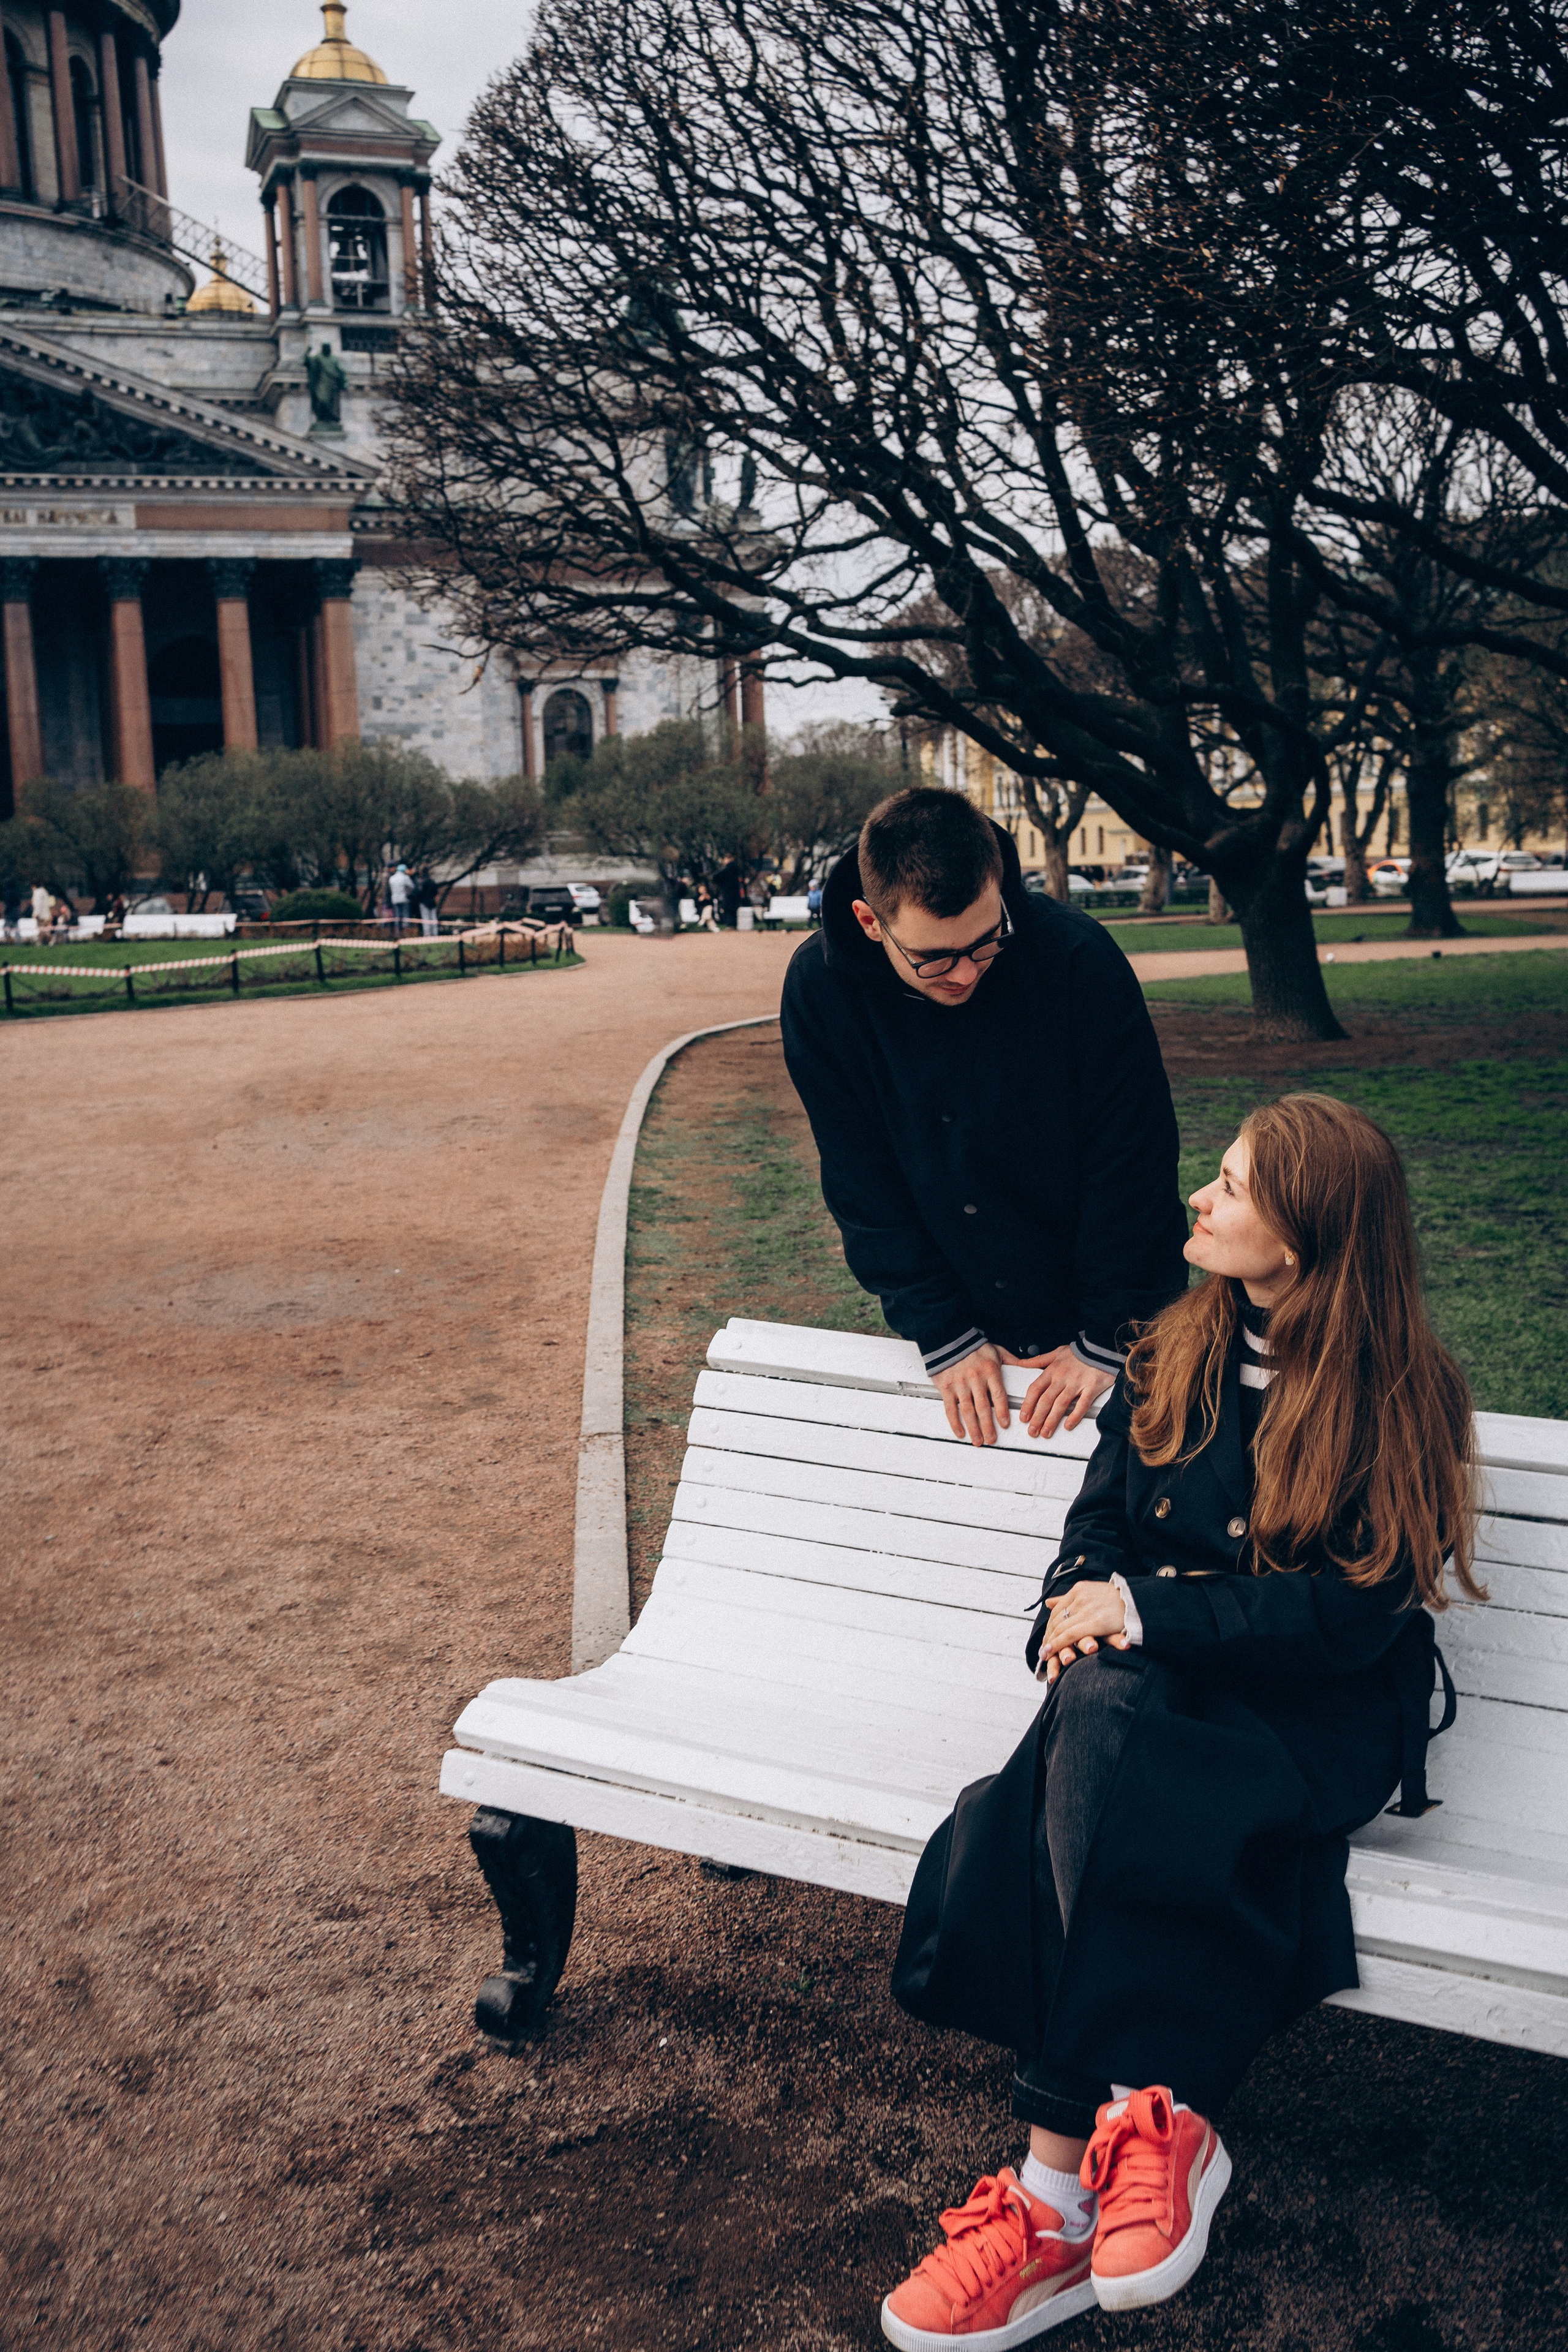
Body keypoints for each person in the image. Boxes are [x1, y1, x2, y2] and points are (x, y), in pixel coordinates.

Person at [881, 1094, 1479, 2347]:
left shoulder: (1402, 1390)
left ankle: (1048, 2198)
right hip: (1157, 1699)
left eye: (1229, 1187)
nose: (1196, 1203)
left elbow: (1352, 1616)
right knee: (1097, 1712)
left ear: (1305, 1240)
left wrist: (1145, 1613)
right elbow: (1097, 1525)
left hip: (1308, 1723)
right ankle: (1152, 2122)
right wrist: (1071, 1606)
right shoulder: (1173, 1346)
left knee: (1090, 1753)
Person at [782, 786, 1188, 1444]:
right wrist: (943, 1330)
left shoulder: (1077, 959)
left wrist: (1109, 1333)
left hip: (1107, 1313)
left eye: (984, 942)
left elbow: (1132, 1156)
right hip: (959, 1319)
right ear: (868, 921)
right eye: (933, 958)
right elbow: (860, 1177)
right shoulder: (818, 990)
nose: (965, 974)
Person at [388, 862, 413, 933]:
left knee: (397, 917)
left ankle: (398, 932)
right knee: (405, 916)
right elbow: (412, 887)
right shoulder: (405, 878)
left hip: (395, 900)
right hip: (404, 899)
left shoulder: (392, 878)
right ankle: (406, 932)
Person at [415, 870, 439, 936]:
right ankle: (435, 934)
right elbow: (436, 894)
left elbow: (420, 893)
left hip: (424, 903)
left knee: (426, 920)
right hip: (432, 902)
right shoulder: (432, 882)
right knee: (434, 919)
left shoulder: (421, 883)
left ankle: (427, 935)